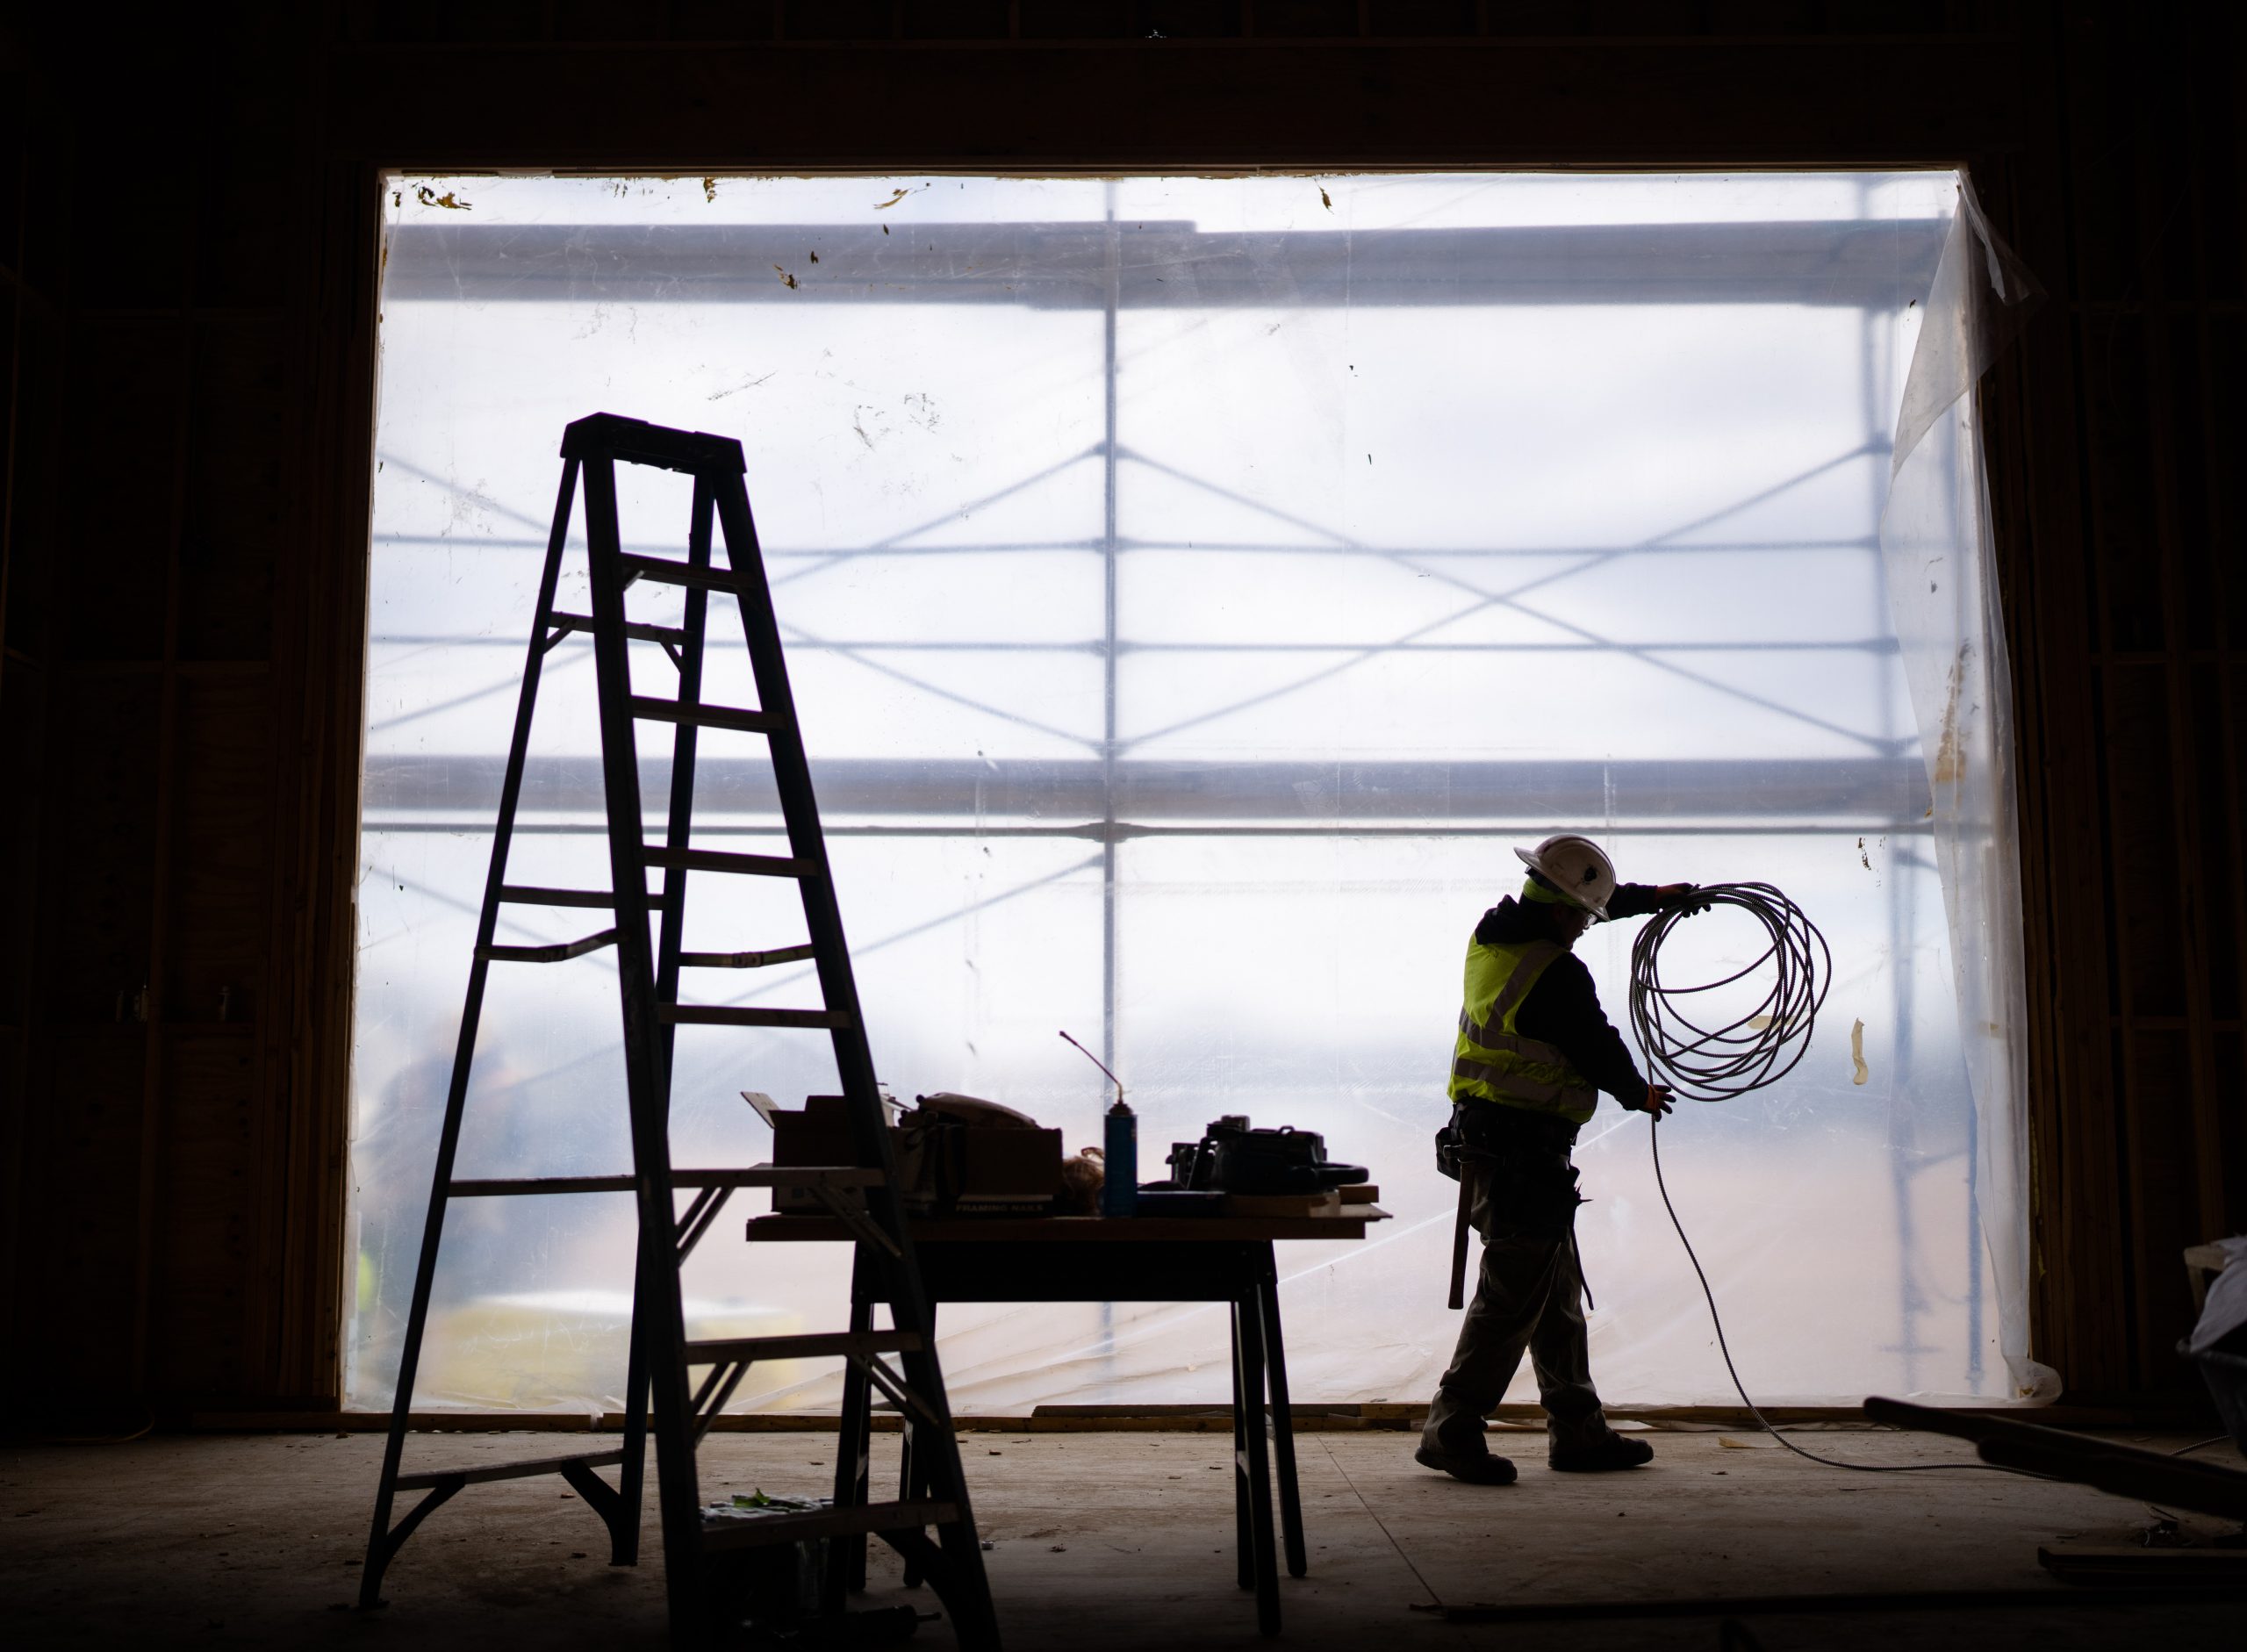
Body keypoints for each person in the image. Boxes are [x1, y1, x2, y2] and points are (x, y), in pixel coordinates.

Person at [1416, 833, 1709, 1485]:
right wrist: (1639, 1094)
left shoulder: (1493, 936)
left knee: (1553, 1294)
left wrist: (1650, 900)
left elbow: (1574, 898)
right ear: (1558, 913)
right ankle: (1452, 1427)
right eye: (1583, 917)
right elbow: (1596, 1045)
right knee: (1511, 1298)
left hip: (1490, 1145)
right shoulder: (1557, 972)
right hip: (1522, 1153)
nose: (1585, 927)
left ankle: (1578, 1430)